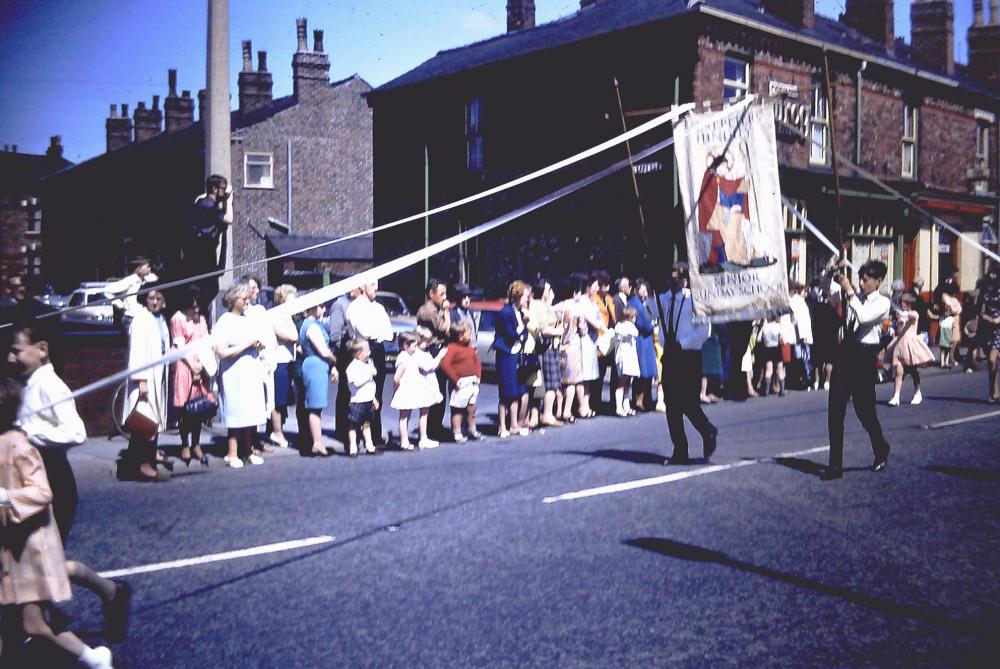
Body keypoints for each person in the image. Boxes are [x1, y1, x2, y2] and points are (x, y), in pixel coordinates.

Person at [8, 322, 132, 646]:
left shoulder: (50, 385)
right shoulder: (26, 383)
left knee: (40, 563)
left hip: (53, 486)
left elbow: (76, 432)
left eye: (17, 350)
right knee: (33, 562)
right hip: (30, 483)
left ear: (42, 349)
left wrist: (30, 434)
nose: (10, 357)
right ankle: (104, 593)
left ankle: (100, 600)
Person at [0, 378, 115, 669]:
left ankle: (95, 658)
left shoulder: (19, 445)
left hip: (28, 550)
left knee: (33, 623)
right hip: (10, 544)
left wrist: (6, 497)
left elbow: (42, 492)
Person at [824, 260, 892, 480]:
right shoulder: (854, 298)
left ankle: (880, 446)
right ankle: (835, 465)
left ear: (878, 281)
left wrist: (850, 292)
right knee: (835, 410)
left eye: (866, 280)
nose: (862, 283)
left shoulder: (882, 302)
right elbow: (828, 290)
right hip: (845, 355)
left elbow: (863, 317)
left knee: (865, 413)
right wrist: (832, 271)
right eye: (860, 279)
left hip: (864, 358)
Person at [657, 267, 717, 465]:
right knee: (672, 405)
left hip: (688, 356)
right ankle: (680, 450)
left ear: (686, 280)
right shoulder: (664, 299)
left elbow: (704, 331)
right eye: (671, 278)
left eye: (678, 278)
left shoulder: (696, 300)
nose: (673, 282)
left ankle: (706, 430)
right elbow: (650, 312)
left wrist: (681, 343)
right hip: (670, 357)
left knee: (689, 403)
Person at [214, 283, 267, 468]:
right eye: (243, 299)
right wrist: (247, 344)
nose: (247, 301)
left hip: (250, 370)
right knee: (236, 412)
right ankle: (232, 453)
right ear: (232, 300)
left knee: (250, 413)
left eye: (247, 298)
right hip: (233, 374)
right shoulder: (225, 321)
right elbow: (221, 351)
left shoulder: (248, 319)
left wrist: (258, 344)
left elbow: (257, 339)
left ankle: (248, 450)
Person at [123, 289, 171, 481]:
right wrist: (141, 380)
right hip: (144, 380)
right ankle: (144, 466)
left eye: (159, 298)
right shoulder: (141, 319)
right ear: (145, 300)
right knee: (144, 423)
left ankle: (138, 464)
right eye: (151, 298)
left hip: (157, 377)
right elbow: (137, 351)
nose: (155, 302)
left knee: (150, 423)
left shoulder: (159, 319)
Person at [169, 287, 213, 466]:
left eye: (197, 305)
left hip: (200, 365)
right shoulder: (177, 319)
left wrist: (201, 365)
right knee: (184, 409)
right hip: (185, 366)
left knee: (199, 408)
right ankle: (184, 444)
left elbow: (205, 342)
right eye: (192, 306)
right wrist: (192, 365)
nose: (195, 309)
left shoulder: (201, 319)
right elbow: (180, 346)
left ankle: (196, 444)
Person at [346, 282, 393, 446]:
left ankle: (374, 437)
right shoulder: (355, 307)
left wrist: (377, 331)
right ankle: (355, 438)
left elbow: (388, 332)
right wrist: (377, 330)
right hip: (362, 349)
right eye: (372, 284)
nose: (376, 288)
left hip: (377, 349)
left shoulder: (378, 308)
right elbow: (364, 331)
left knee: (376, 393)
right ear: (362, 286)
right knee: (359, 395)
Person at [184, 174, 233, 312]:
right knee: (209, 288)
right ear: (215, 189)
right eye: (222, 189)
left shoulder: (203, 202)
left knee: (207, 287)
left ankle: (200, 312)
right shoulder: (209, 205)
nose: (224, 192)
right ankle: (199, 313)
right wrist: (229, 201)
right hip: (204, 253)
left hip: (202, 251)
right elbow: (229, 219)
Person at [297, 302, 338, 457]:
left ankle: (317, 441)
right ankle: (317, 442)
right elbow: (323, 350)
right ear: (313, 307)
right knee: (315, 406)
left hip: (315, 364)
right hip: (316, 365)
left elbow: (302, 347)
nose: (324, 309)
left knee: (316, 405)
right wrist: (335, 361)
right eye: (321, 306)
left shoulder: (310, 324)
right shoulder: (312, 326)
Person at [392, 330, 445, 450]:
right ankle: (404, 441)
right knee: (404, 416)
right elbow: (396, 378)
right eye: (414, 345)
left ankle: (423, 438)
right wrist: (398, 388)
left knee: (424, 412)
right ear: (405, 345)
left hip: (416, 387)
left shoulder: (412, 356)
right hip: (407, 389)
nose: (416, 348)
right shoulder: (403, 358)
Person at [559, 274, 600, 422]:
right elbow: (583, 329)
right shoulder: (577, 309)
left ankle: (560, 410)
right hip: (574, 347)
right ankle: (566, 411)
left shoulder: (559, 307)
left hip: (560, 345)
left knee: (563, 382)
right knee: (573, 381)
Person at [494, 281, 531, 438]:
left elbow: (524, 336)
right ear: (517, 296)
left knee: (516, 391)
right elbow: (511, 335)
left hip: (516, 355)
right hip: (506, 356)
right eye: (525, 297)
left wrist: (522, 331)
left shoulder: (520, 312)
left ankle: (514, 425)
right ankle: (502, 427)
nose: (527, 300)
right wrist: (522, 327)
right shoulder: (506, 312)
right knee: (505, 393)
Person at [885, 293, 935, 406]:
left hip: (910, 344)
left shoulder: (913, 313)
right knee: (898, 371)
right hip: (900, 344)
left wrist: (902, 313)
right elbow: (896, 324)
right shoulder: (900, 315)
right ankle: (896, 396)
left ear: (908, 304)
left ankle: (918, 393)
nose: (900, 303)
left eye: (903, 302)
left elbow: (911, 317)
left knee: (913, 370)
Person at [416, 278, 451, 438]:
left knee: (440, 388)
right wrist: (447, 311)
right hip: (432, 351)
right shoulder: (427, 311)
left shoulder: (435, 311)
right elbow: (444, 328)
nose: (444, 297)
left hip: (439, 350)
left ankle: (436, 424)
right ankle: (431, 427)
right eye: (441, 294)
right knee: (434, 388)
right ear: (431, 293)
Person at [527, 279, 565, 427]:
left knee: (545, 383)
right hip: (546, 348)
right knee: (551, 383)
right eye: (548, 289)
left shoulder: (542, 305)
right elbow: (543, 329)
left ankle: (536, 416)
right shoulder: (538, 306)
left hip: (550, 347)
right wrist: (558, 331)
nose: (550, 292)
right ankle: (547, 414)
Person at [440, 322, 483, 443]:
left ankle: (472, 428)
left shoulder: (469, 348)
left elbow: (477, 362)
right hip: (461, 383)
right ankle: (457, 431)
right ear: (460, 336)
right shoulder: (452, 348)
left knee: (472, 408)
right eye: (468, 333)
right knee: (457, 410)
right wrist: (455, 379)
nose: (470, 335)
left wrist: (478, 376)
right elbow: (445, 365)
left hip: (473, 382)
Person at [328, 287, 361, 442]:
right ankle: (342, 430)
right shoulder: (340, 305)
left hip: (359, 354)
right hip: (345, 353)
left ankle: (355, 428)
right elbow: (334, 334)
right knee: (345, 391)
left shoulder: (360, 305)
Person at [268, 284, 299, 448]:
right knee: (278, 400)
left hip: (287, 361)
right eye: (291, 300)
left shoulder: (287, 317)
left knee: (284, 399)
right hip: (278, 362)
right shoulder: (277, 317)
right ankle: (277, 432)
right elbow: (292, 337)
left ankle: (276, 430)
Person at [345, 338, 381, 457]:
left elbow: (372, 381)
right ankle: (353, 446)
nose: (369, 353)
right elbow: (356, 383)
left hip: (368, 400)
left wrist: (374, 398)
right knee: (353, 424)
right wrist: (368, 376)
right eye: (367, 351)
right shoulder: (352, 367)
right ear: (359, 353)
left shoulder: (368, 363)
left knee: (366, 423)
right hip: (357, 401)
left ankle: (369, 445)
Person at [628, 279, 659, 412]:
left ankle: (646, 398)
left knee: (647, 372)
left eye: (646, 290)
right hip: (641, 339)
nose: (645, 292)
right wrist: (652, 326)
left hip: (647, 340)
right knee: (642, 372)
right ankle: (639, 400)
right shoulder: (635, 303)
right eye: (642, 289)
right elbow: (644, 323)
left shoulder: (643, 303)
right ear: (636, 290)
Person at [103, 257, 159, 329]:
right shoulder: (130, 280)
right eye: (147, 267)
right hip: (131, 317)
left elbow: (154, 277)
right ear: (139, 267)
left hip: (142, 317)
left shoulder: (144, 280)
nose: (149, 269)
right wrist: (120, 305)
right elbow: (107, 290)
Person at [590, 271, 617, 414]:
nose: (605, 288)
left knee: (614, 369)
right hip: (600, 337)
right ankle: (595, 401)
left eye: (606, 285)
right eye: (602, 285)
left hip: (611, 338)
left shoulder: (609, 299)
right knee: (599, 371)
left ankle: (614, 400)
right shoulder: (594, 299)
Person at [979, 263, 1000, 402]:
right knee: (992, 361)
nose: (991, 276)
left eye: (993, 273)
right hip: (990, 331)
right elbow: (980, 310)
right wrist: (987, 318)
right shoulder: (986, 291)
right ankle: (993, 389)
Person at [613, 306, 640, 417]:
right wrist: (629, 325)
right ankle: (619, 408)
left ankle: (626, 406)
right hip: (624, 357)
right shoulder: (621, 326)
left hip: (630, 357)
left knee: (628, 383)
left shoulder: (627, 326)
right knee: (622, 383)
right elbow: (634, 333)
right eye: (634, 317)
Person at [938, 284, 962, 368]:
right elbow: (954, 309)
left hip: (953, 319)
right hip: (952, 319)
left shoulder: (947, 298)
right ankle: (950, 357)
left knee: (953, 339)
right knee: (953, 339)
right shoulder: (947, 298)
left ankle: (948, 358)